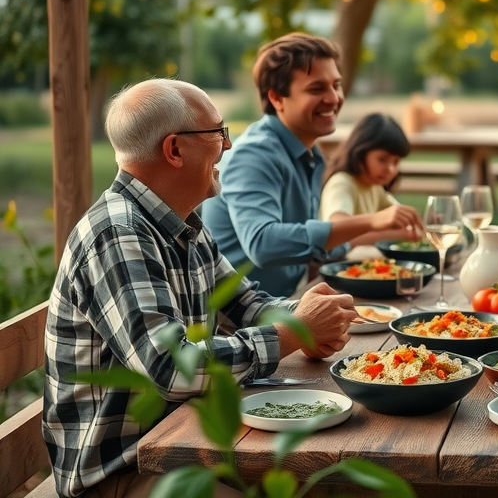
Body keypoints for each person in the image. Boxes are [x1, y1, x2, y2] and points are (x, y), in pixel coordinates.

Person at [42, 79, 358, 498]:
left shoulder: (180, 222)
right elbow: (173, 369)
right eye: (219, 132)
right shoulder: (118, 234)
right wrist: (289, 334)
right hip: (124, 470)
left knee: (335, 479)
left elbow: (246, 304)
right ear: (174, 150)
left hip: (188, 443)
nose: (228, 146)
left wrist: (304, 317)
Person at [201, 32, 421, 297]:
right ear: (277, 98)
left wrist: (388, 229)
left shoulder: (311, 154)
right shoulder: (255, 155)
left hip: (289, 301)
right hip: (241, 322)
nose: (334, 98)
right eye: (317, 89)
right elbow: (263, 244)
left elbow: (321, 241)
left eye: (336, 85)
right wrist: (373, 220)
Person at [319, 112, 424, 246]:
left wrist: (422, 220)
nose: (390, 169)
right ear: (360, 153)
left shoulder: (374, 186)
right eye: (382, 159)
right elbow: (336, 230)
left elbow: (398, 216)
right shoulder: (342, 183)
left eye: (396, 162)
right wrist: (401, 234)